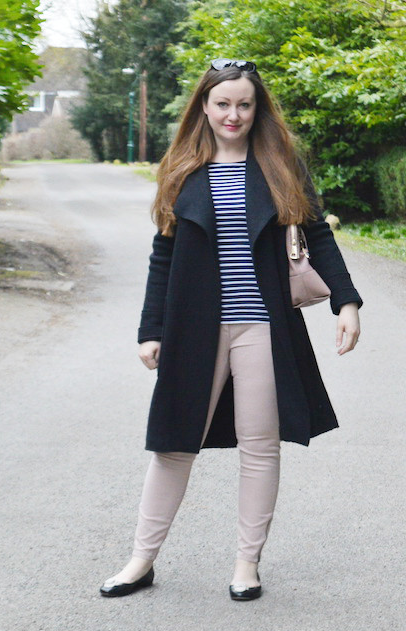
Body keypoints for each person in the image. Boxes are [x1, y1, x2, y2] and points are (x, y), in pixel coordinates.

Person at [99, 58, 362, 601]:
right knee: (173, 444)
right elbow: (163, 255)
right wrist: (152, 329)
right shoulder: (182, 167)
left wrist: (347, 300)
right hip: (196, 327)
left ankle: (247, 564)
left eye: (244, 104)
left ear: (257, 107)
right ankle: (140, 560)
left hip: (264, 326)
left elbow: (319, 234)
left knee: (260, 445)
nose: (233, 114)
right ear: (204, 106)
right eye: (223, 104)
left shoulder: (280, 164)